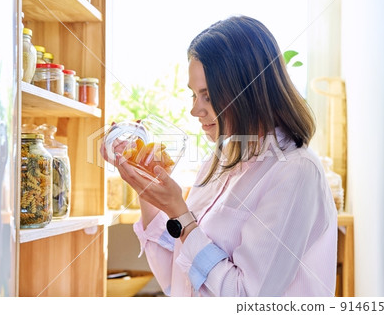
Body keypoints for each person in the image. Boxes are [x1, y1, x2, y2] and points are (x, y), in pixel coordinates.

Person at [102, 15, 337, 297]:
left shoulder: (296, 172)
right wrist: (146, 187)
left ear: (249, 91)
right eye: (193, 95)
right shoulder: (219, 161)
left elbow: (246, 298)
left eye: (208, 97)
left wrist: (180, 212)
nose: (194, 110)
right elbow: (177, 278)